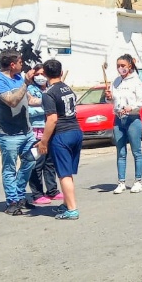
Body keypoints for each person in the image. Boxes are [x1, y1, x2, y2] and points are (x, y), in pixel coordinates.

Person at [0, 49, 36, 215]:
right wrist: (26, 83)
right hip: (7, 134)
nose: (22, 64)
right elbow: (12, 101)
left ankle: (19, 194)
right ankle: (12, 201)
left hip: (26, 132)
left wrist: (50, 100)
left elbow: (30, 100)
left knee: (30, 161)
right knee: (10, 168)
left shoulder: (18, 78)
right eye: (20, 62)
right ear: (12, 64)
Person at [38, 59, 83, 220]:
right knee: (68, 172)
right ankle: (67, 202)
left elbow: (52, 119)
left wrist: (43, 141)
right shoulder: (67, 88)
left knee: (63, 174)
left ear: (44, 74)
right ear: (61, 72)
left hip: (61, 134)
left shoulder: (48, 93)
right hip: (76, 131)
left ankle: (72, 209)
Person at [105, 54, 142, 194]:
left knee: (136, 151)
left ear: (130, 66)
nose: (120, 68)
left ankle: (138, 181)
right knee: (120, 152)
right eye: (118, 66)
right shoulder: (115, 82)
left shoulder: (136, 81)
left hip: (133, 119)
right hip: (118, 119)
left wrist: (131, 107)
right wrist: (108, 97)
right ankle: (121, 182)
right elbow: (111, 101)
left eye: (123, 65)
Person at [26, 64, 62, 205]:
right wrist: (48, 108)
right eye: (37, 74)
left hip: (50, 129)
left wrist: (47, 108)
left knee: (50, 162)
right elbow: (29, 111)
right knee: (37, 162)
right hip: (36, 130)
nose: (40, 77)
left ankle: (52, 190)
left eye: (42, 73)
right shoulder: (29, 90)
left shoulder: (50, 89)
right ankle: (37, 193)